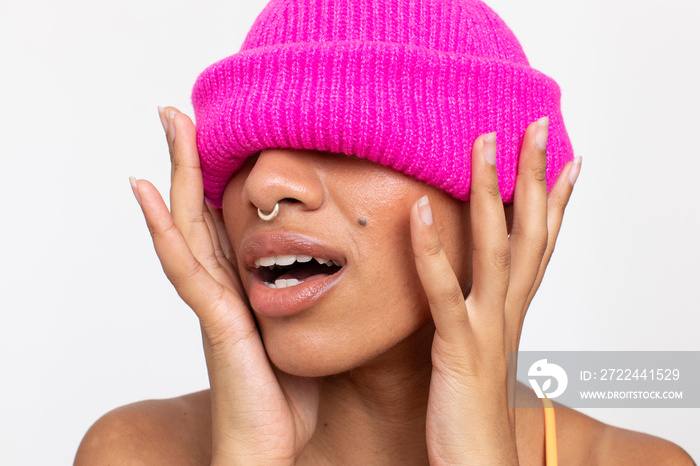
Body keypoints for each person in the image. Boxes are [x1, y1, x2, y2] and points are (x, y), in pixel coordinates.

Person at [75, 0, 695, 464]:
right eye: (246, 149)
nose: (264, 186)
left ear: (504, 208)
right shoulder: (137, 452)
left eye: (344, 139)